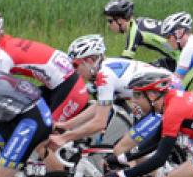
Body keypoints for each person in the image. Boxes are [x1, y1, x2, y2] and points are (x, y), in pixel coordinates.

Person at [49, 34, 179, 151]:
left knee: (123, 150)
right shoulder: (106, 66)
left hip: (167, 97)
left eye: (76, 65)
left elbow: (99, 123)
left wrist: (65, 137)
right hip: (166, 91)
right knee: (131, 150)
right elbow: (100, 106)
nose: (75, 71)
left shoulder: (104, 76)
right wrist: (67, 125)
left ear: (90, 61)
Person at [0, 13, 88, 128]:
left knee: (45, 133)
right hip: (60, 85)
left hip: (70, 88)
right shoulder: (10, 43)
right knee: (28, 111)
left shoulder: (3, 57)